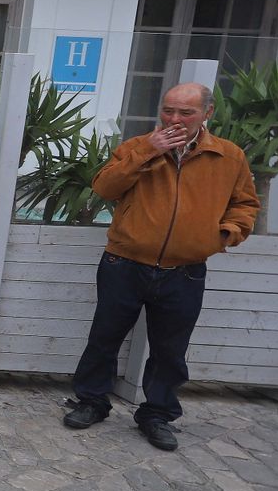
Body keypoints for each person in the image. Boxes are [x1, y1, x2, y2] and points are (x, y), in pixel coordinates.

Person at [63, 82, 258, 451]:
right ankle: (91, 402)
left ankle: (157, 415)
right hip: (124, 263)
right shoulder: (137, 147)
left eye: (186, 112)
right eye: (168, 110)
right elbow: (104, 187)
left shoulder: (228, 157)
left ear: (207, 113)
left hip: (185, 270)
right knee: (104, 339)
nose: (175, 119)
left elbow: (245, 204)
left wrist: (225, 234)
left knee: (170, 350)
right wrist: (147, 153)